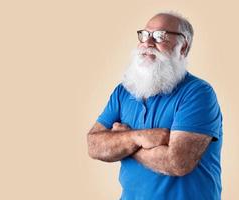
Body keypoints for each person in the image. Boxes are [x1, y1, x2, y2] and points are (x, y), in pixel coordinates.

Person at [87, 12, 223, 200]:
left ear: (183, 47)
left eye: (160, 36)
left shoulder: (198, 93)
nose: (148, 43)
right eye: (145, 35)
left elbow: (177, 162)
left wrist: (123, 142)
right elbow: (94, 145)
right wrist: (139, 137)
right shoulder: (123, 91)